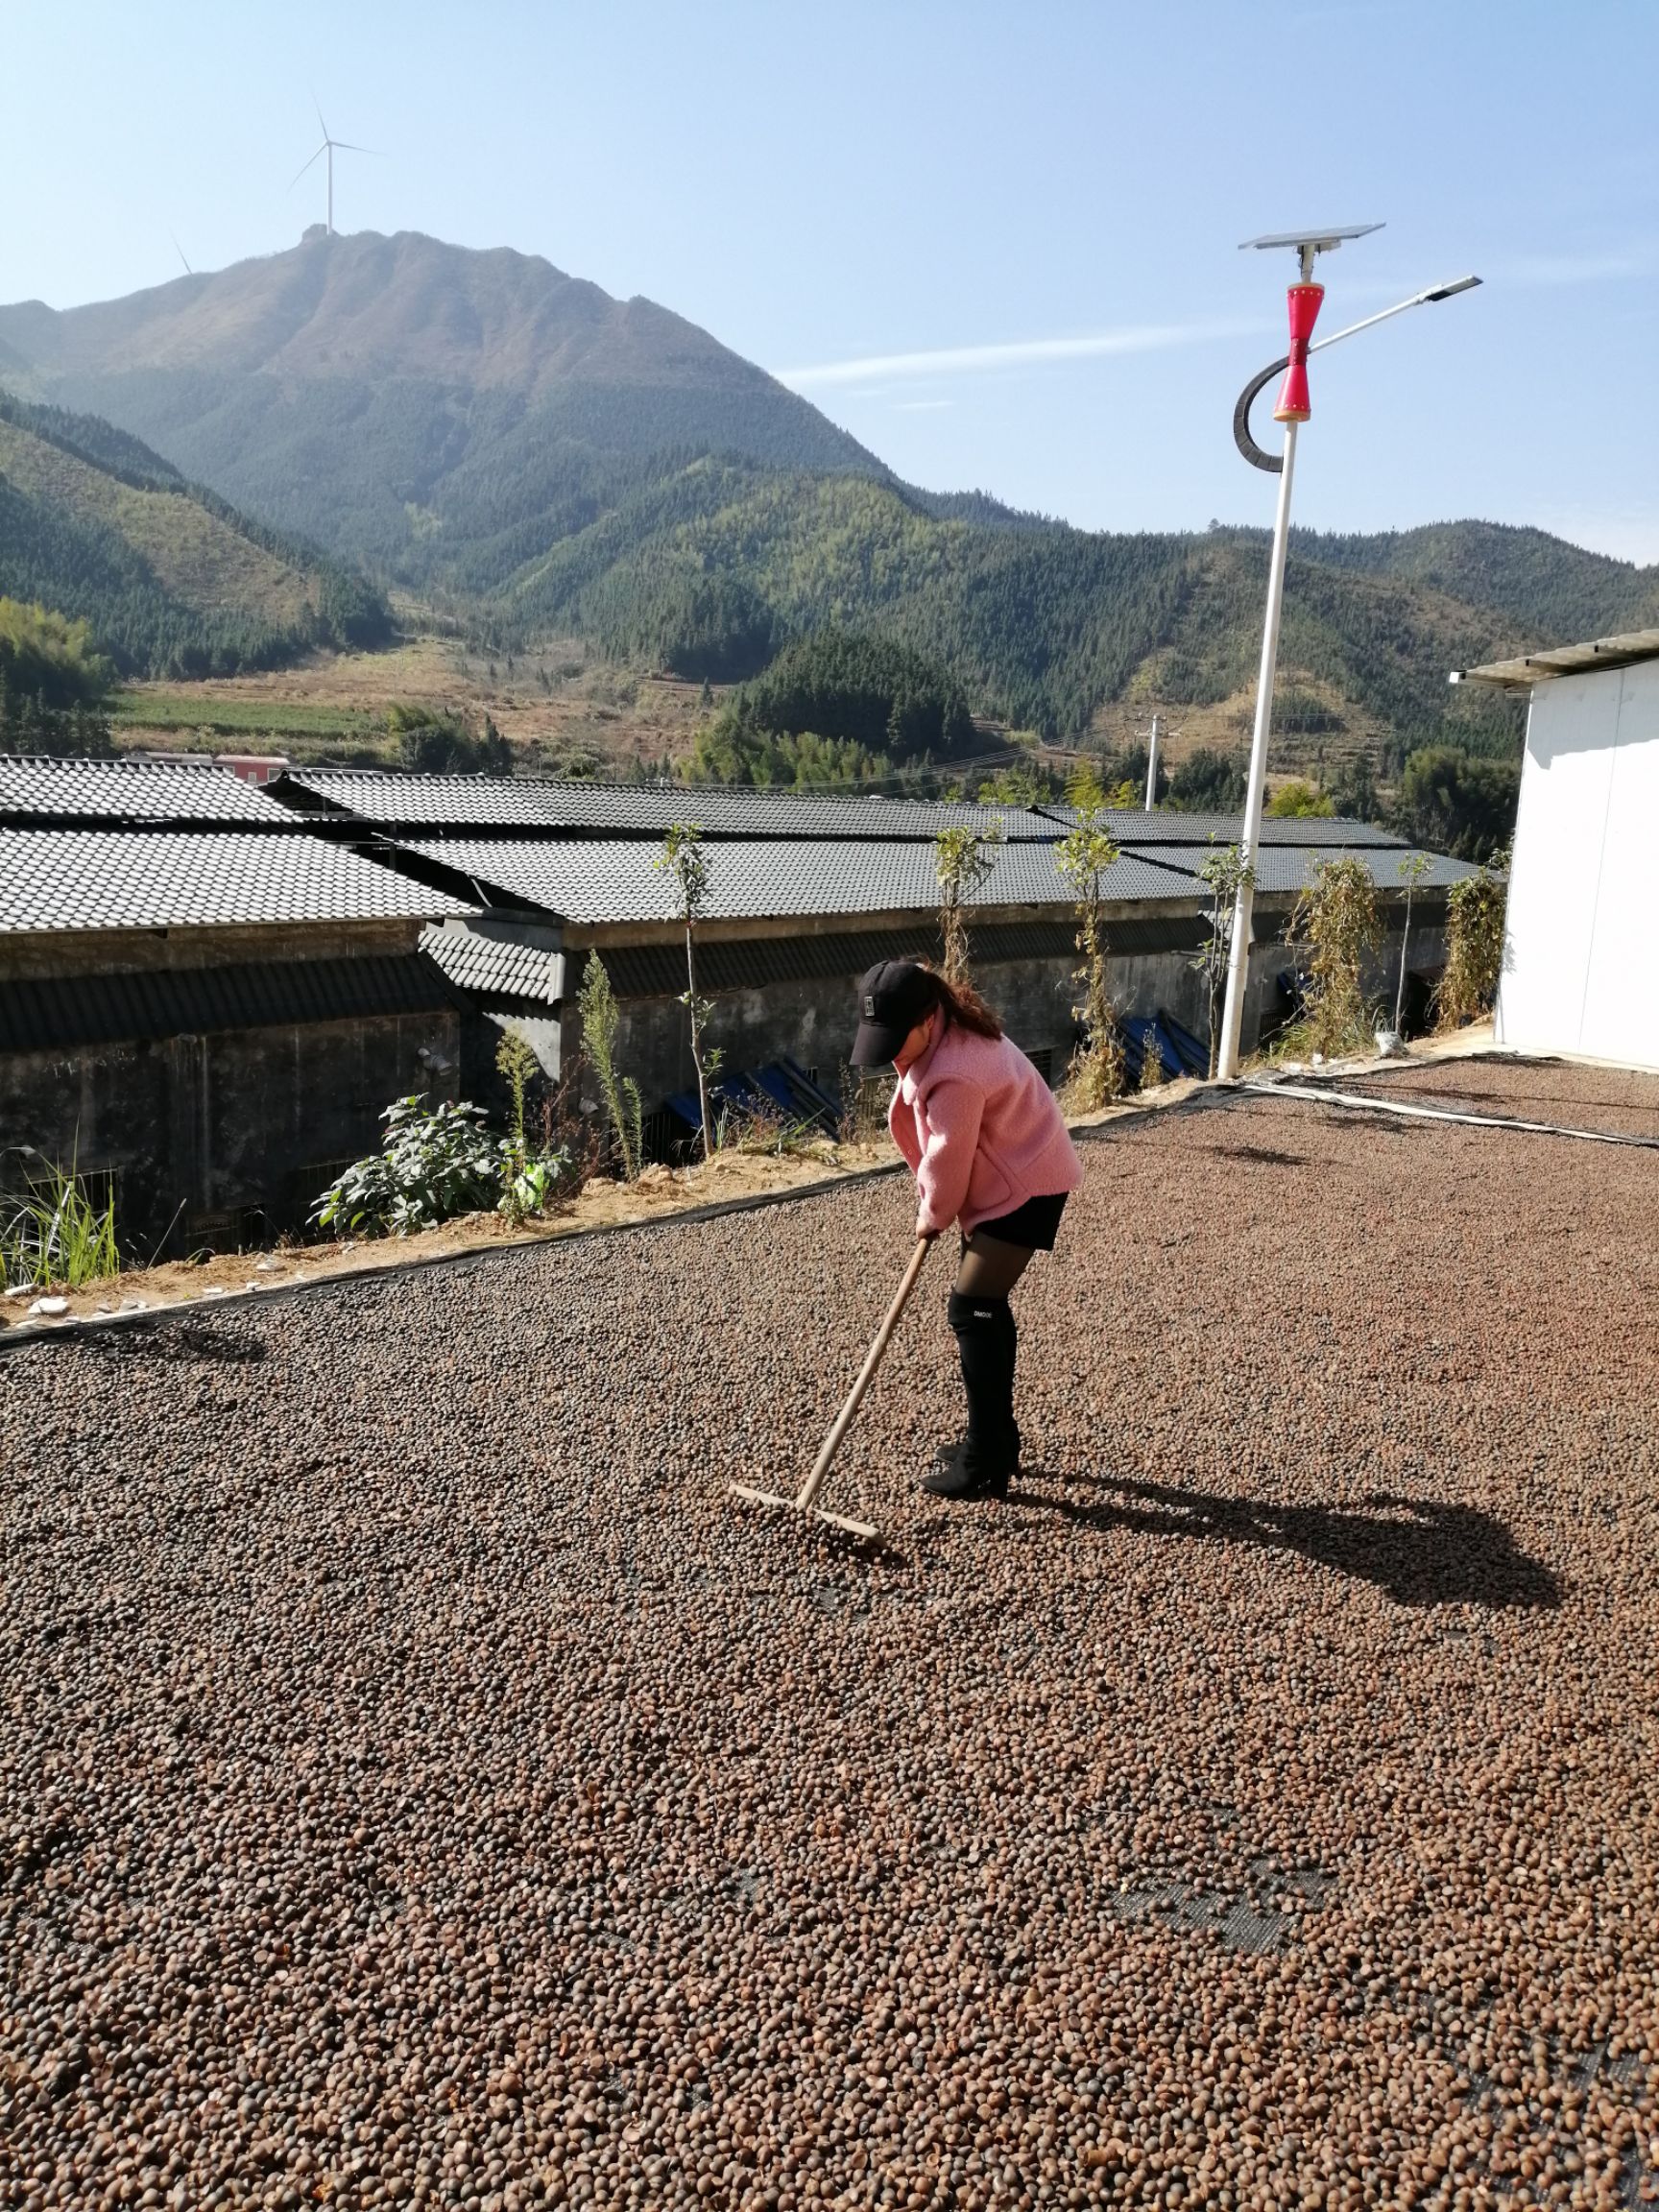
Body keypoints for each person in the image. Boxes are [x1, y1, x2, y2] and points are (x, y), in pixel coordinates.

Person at [850, 959, 1083, 1499]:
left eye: (894, 1037)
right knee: (984, 1306)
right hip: (1008, 1170)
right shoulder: (940, 1030)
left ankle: (985, 1460)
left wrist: (930, 1213)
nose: (888, 1053)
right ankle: (998, 1439)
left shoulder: (956, 1070)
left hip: (1026, 1184)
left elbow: (947, 1157)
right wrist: (937, 1206)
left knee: (970, 1309)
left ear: (928, 1020)